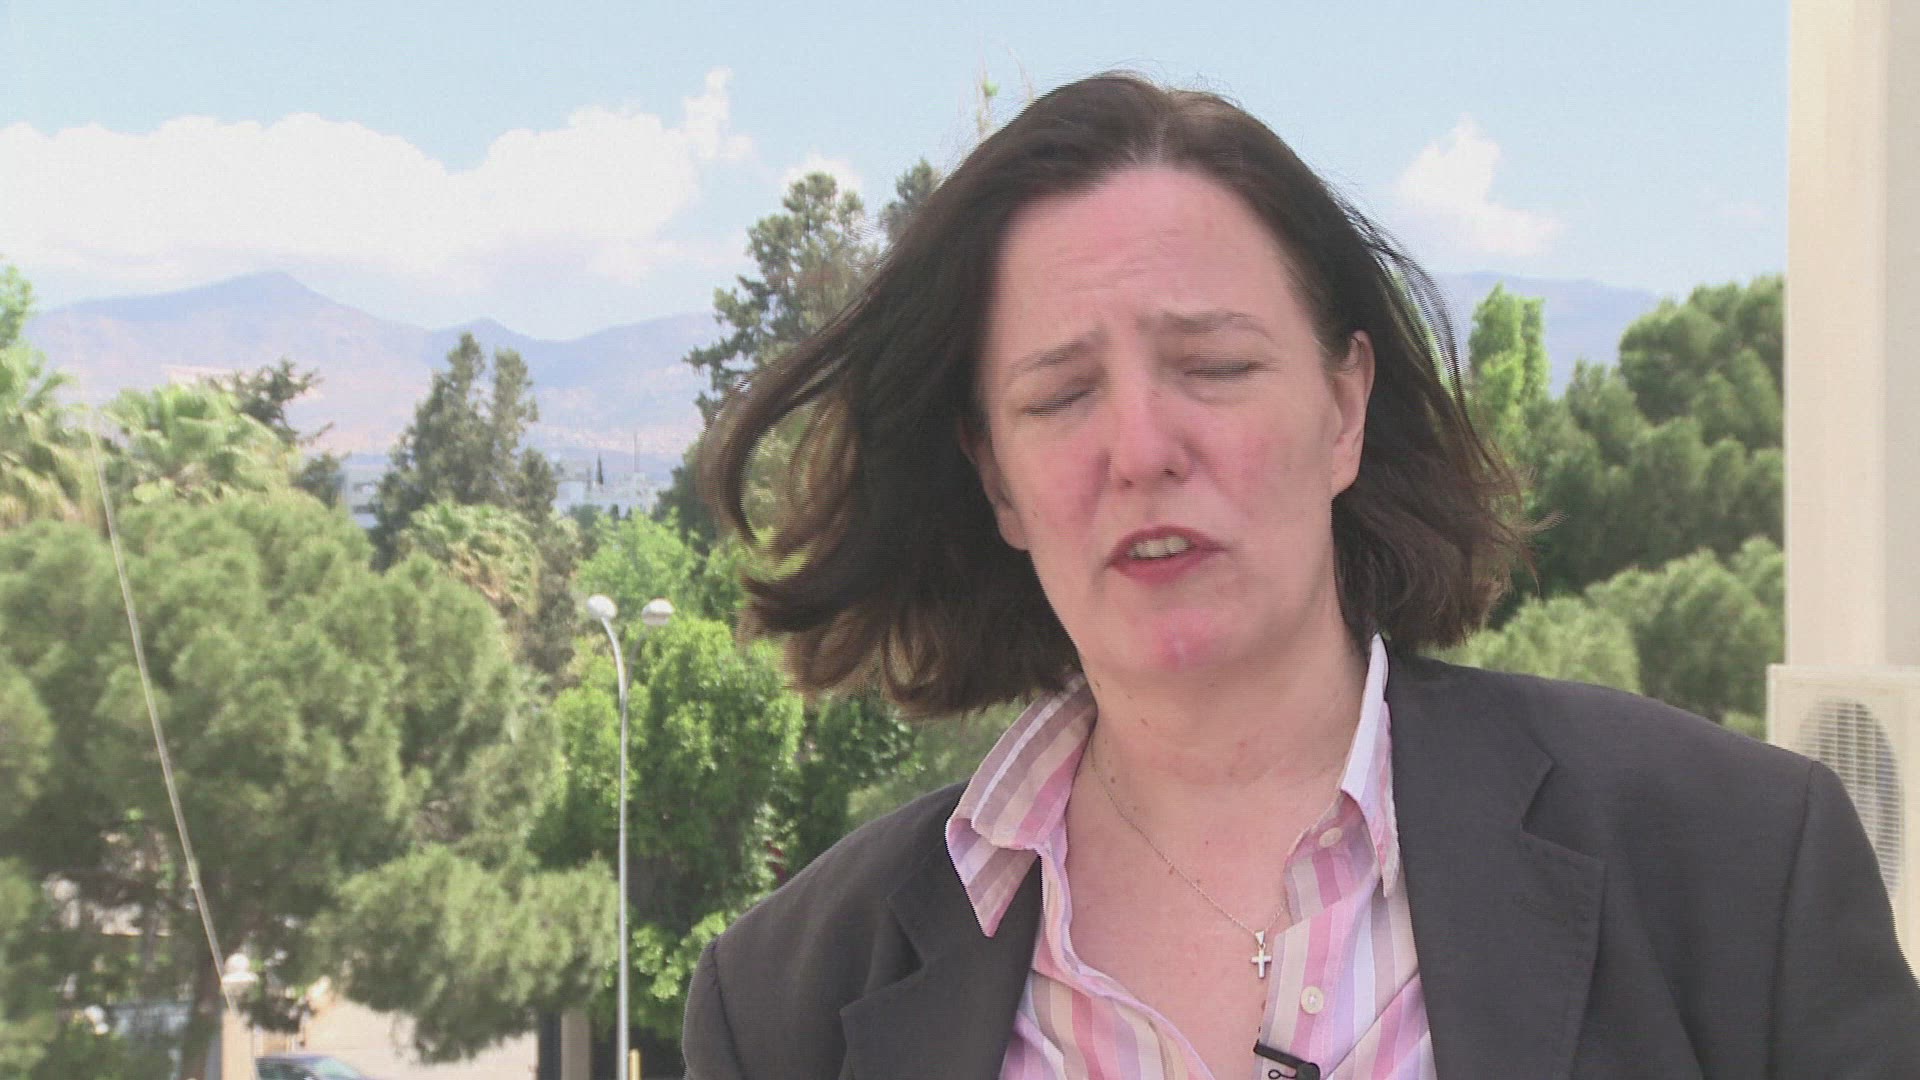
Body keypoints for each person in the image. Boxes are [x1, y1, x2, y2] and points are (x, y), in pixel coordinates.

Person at [681, 73, 1919, 1079]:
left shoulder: (1737, 866)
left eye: (1214, 367)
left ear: (1344, 409)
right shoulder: (790, 1001)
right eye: (1060, 396)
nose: (1142, 449)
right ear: (996, 480)